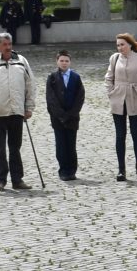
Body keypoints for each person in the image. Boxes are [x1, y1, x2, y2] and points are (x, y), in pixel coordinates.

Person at [0, 32, 35, 191]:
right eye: (4, 44)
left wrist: (29, 107)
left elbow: (30, 85)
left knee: (15, 146)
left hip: (17, 110)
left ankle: (17, 179)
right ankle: (0, 180)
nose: (8, 47)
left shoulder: (21, 61)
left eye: (10, 44)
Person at [104, 33, 137, 181]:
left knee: (136, 134)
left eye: (122, 44)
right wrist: (111, 92)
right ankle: (121, 170)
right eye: (118, 45)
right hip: (118, 98)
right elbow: (108, 77)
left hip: (134, 97)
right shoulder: (114, 58)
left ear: (130, 44)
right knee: (120, 135)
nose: (120, 47)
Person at [45, 50, 84, 182]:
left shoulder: (76, 77)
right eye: (61, 60)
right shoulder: (52, 77)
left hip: (72, 118)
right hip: (58, 118)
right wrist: (61, 115)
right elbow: (50, 99)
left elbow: (80, 97)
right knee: (61, 145)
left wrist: (72, 113)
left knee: (71, 145)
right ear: (57, 61)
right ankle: (63, 170)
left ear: (70, 62)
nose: (64, 63)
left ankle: (72, 170)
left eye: (66, 61)